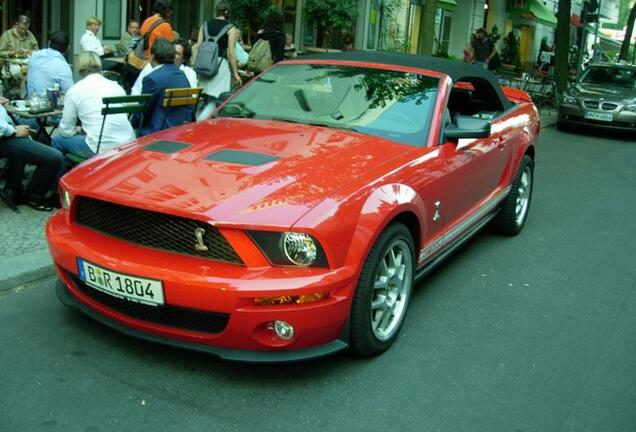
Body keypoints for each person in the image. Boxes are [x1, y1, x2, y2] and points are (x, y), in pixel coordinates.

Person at [52, 52, 134, 162]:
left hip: (101, 148)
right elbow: (121, 116)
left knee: (57, 140)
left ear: (79, 68)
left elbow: (66, 130)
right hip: (128, 144)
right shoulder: (116, 86)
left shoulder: (75, 90)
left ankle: (64, 178)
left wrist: (77, 130)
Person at [0, 96, 64, 211]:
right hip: (4, 137)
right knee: (54, 157)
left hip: (6, 132)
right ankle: (34, 195)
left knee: (26, 144)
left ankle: (14, 190)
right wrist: (14, 131)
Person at [133, 38, 192, 136]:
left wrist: (131, 123)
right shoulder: (182, 76)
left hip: (156, 131)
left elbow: (142, 113)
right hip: (179, 131)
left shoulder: (152, 78)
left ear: (152, 57)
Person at [193, 0, 240, 120]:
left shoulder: (205, 25)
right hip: (220, 66)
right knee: (216, 100)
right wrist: (235, 73)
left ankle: (200, 121)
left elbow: (197, 46)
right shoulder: (231, 28)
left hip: (204, 64)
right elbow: (231, 53)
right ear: (227, 12)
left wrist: (194, 64)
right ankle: (199, 123)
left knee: (205, 98)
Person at [131, 38, 197, 95]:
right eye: (172, 51)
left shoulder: (188, 73)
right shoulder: (150, 66)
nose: (172, 55)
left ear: (184, 59)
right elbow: (136, 89)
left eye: (176, 53)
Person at [27, 30, 74, 96]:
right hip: (49, 104)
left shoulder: (34, 56)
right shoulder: (63, 67)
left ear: (49, 43)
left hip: (31, 101)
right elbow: (70, 94)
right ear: (68, 48)